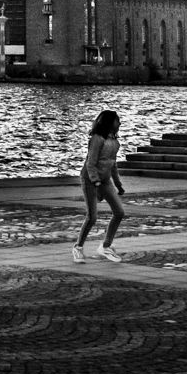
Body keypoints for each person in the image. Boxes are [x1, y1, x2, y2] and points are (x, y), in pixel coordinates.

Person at [73, 110, 128, 263]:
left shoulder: (115, 142)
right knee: (92, 217)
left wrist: (118, 184)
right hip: (90, 180)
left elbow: (113, 165)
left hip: (105, 180)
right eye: (117, 121)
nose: (120, 124)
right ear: (109, 122)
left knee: (119, 212)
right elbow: (90, 163)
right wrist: (95, 181)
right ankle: (78, 247)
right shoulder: (97, 139)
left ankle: (105, 246)